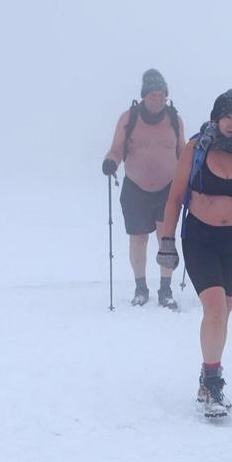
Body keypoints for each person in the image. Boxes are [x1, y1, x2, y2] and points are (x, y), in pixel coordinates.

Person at [156, 90, 232, 418]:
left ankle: (207, 372)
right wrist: (167, 241)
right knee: (217, 311)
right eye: (228, 118)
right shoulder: (197, 149)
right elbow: (175, 197)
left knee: (222, 314)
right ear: (215, 119)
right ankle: (212, 381)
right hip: (200, 239)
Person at [102, 68, 186, 309]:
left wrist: (191, 174)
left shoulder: (174, 119)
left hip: (167, 189)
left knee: (165, 239)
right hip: (135, 188)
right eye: (153, 95)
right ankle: (140, 287)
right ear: (144, 96)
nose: (158, 99)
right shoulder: (128, 118)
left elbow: (182, 153)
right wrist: (110, 162)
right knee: (138, 239)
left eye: (162, 95)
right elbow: (117, 149)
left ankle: (165, 289)